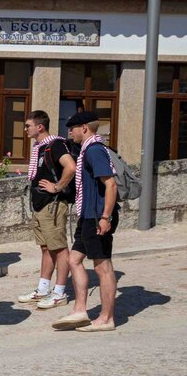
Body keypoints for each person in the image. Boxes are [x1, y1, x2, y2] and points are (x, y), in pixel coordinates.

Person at [52, 112, 120, 333]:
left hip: (97, 217)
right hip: (87, 216)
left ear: (84, 128)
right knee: (73, 260)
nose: (69, 132)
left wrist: (105, 217)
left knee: (102, 267)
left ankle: (106, 318)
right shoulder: (87, 150)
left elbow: (110, 185)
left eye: (72, 128)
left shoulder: (94, 150)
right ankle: (80, 310)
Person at [19, 111, 76, 310]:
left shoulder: (56, 144)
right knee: (46, 247)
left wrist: (57, 187)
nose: (25, 129)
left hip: (53, 204)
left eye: (28, 125)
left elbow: (71, 167)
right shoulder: (40, 147)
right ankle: (43, 289)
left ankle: (59, 292)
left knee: (59, 248)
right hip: (40, 204)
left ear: (40, 127)